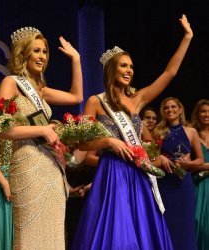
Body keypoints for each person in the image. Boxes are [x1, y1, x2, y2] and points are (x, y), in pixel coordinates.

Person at [72, 14, 193, 250]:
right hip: (112, 172)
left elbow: (169, 74)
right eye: (124, 65)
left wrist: (187, 37)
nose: (129, 70)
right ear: (111, 69)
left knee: (140, 229)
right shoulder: (96, 102)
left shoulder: (137, 99)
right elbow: (83, 145)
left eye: (131, 67)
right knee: (117, 231)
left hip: (137, 174)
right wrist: (109, 141)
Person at [0, 27, 83, 249]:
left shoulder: (41, 89)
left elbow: (77, 96)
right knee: (29, 235)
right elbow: (2, 130)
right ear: (23, 53)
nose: (42, 56)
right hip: (26, 166)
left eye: (44, 51)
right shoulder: (11, 83)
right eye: (36, 50)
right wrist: (41, 130)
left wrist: (76, 59)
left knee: (53, 236)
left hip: (51, 168)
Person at [154, 97, 203, 250]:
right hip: (164, 184)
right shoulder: (158, 131)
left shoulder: (191, 132)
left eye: (173, 107)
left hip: (183, 185)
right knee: (166, 224)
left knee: (186, 226)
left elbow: (200, 160)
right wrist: (160, 158)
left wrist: (188, 163)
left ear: (180, 110)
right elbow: (151, 158)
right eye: (166, 108)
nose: (170, 110)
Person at [191, 99, 209, 250]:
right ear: (197, 114)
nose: (207, 114)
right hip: (198, 185)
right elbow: (186, 165)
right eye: (203, 111)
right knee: (197, 223)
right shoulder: (191, 133)